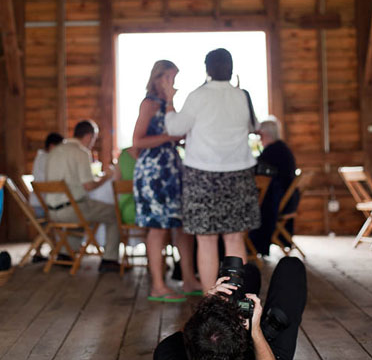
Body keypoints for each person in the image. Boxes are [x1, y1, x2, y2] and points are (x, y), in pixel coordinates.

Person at [153, 257, 307, 360]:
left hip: (227, 350)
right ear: (238, 359)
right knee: (291, 267)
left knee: (248, 272)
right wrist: (255, 332)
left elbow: (187, 332)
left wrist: (208, 303)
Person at [162, 48, 261, 294]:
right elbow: (253, 126)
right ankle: (235, 297)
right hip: (238, 172)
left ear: (207, 69)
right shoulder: (242, 96)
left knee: (206, 241)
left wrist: (168, 101)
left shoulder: (197, 96)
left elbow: (175, 128)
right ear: (231, 67)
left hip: (201, 174)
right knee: (235, 239)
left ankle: (212, 299)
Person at [133, 60, 200, 302]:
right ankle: (158, 285)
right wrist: (168, 137)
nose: (172, 83)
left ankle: (189, 279)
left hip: (172, 170)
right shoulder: (149, 103)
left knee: (181, 225)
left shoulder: (168, 104)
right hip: (154, 172)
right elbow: (137, 141)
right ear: (157, 78)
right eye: (169, 78)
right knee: (158, 226)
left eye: (175, 78)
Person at [43, 119, 121, 273]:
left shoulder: (54, 151)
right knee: (114, 213)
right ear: (88, 136)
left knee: (83, 208)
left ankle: (66, 253)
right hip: (72, 211)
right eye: (94, 139)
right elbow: (89, 186)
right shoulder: (81, 152)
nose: (93, 142)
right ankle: (110, 259)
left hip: (52, 212)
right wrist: (107, 176)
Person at [249, 117, 298, 256]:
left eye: (259, 135)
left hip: (278, 202)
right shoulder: (280, 148)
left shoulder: (273, 151)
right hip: (288, 202)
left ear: (264, 134)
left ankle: (250, 245)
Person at [29, 132, 65, 210]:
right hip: (43, 205)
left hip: (38, 203)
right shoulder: (48, 159)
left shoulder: (41, 157)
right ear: (52, 147)